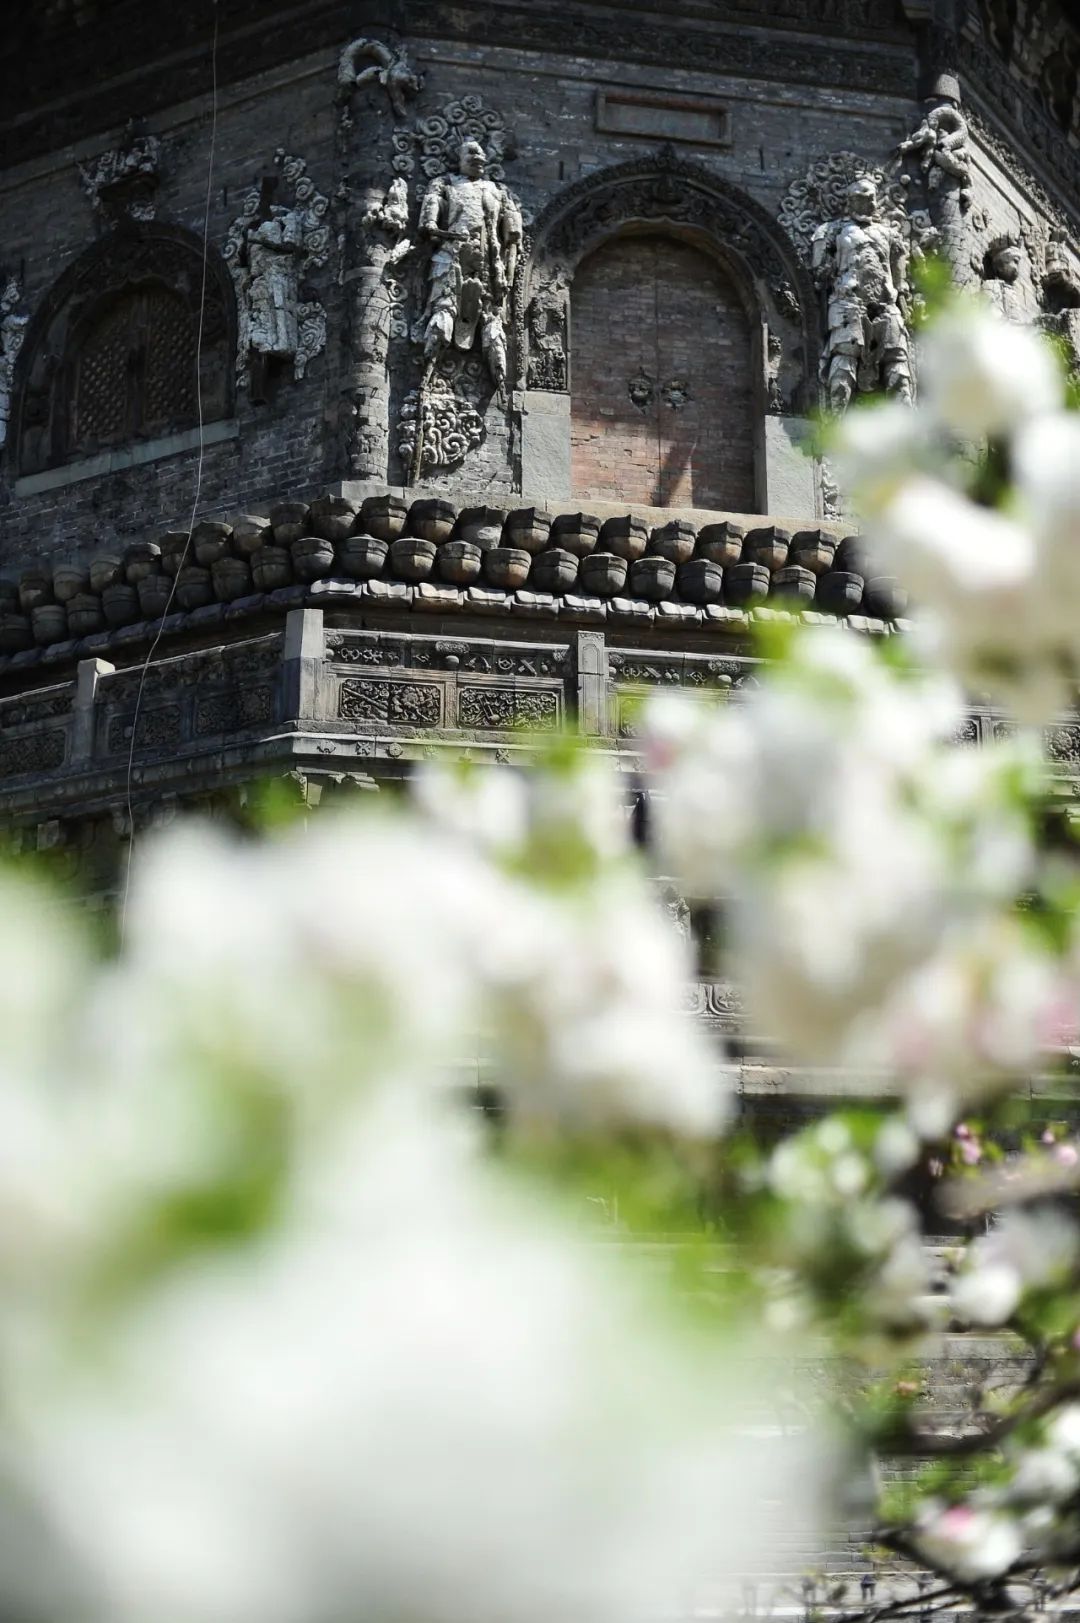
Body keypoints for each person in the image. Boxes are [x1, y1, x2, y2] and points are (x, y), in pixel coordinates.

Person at [416, 139, 522, 398]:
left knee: (493, 322)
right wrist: (432, 224)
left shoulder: (497, 190)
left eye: (481, 153)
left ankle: (499, 381)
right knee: (442, 314)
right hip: (451, 255)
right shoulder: (446, 184)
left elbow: (512, 233)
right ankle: (427, 371)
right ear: (459, 158)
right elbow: (430, 218)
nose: (478, 157)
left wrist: (510, 253)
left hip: (489, 262)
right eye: (471, 152)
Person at [811, 175, 913, 412]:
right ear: (849, 201)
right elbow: (819, 269)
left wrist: (901, 295)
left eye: (870, 198)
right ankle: (834, 423)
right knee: (843, 362)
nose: (867, 203)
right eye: (860, 198)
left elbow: (899, 270)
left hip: (886, 306)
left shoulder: (889, 234)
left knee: (898, 365)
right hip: (847, 303)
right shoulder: (831, 230)